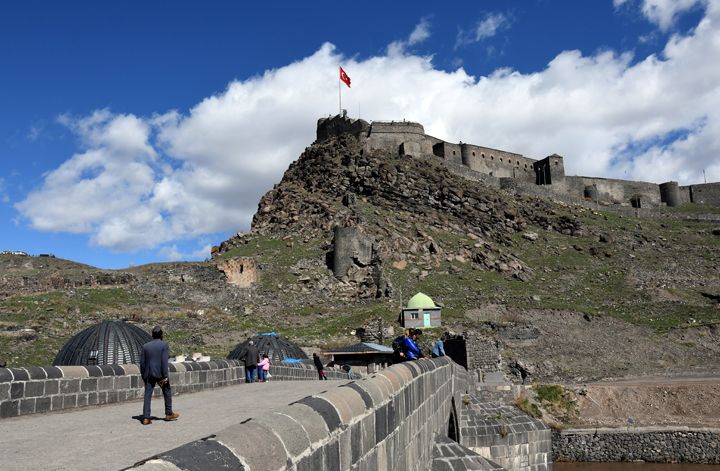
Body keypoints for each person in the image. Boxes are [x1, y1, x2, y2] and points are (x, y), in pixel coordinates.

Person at [140, 326, 179, 425]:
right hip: (160, 374)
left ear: (152, 335)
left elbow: (142, 363)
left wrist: (144, 376)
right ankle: (169, 413)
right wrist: (165, 375)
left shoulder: (145, 346)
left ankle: (146, 418)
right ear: (161, 335)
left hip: (149, 374)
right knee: (167, 391)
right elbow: (164, 361)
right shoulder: (163, 345)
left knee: (148, 395)